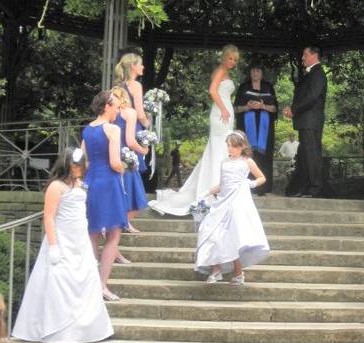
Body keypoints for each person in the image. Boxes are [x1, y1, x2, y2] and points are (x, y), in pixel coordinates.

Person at [12, 147, 114, 343]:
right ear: (67, 164)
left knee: (84, 280)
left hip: (80, 240)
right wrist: (53, 246)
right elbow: (49, 217)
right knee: (58, 281)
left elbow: (82, 211)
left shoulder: (81, 184)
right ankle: (57, 329)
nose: (79, 168)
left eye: (81, 165)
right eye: (76, 165)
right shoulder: (56, 186)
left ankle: (85, 330)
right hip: (61, 239)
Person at [149, 44, 238, 215]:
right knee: (220, 147)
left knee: (220, 148)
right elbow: (212, 91)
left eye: (234, 59)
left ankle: (215, 187)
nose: (232, 62)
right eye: (230, 58)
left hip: (224, 111)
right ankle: (213, 189)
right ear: (224, 57)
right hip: (222, 112)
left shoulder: (223, 72)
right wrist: (224, 108)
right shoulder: (220, 71)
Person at [195, 131, 270, 285]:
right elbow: (222, 185)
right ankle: (215, 270)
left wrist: (250, 183)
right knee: (210, 231)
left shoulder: (247, 161)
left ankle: (237, 273)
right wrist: (207, 192)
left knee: (231, 237)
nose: (230, 149)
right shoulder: (224, 162)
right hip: (222, 200)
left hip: (238, 201)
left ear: (242, 146)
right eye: (228, 146)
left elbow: (262, 178)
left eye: (233, 146)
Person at [82, 90, 127, 301]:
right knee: (113, 235)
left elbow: (85, 161)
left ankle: (90, 285)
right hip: (108, 184)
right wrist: (127, 166)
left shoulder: (87, 130)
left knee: (92, 233)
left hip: (90, 182)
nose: (118, 110)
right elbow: (115, 163)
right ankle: (101, 285)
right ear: (106, 106)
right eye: (116, 106)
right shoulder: (113, 129)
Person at [283, 45, 327, 198]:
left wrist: (294, 110)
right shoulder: (312, 74)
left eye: (305, 55)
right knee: (305, 154)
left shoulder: (318, 74)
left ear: (314, 55)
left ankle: (315, 188)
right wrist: (293, 108)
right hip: (306, 121)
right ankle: (304, 186)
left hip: (311, 121)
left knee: (311, 154)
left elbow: (311, 97)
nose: (302, 58)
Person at [234, 63, 278, 196]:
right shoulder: (243, 87)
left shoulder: (268, 87)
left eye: (258, 70)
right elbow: (235, 108)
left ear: (262, 73)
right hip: (246, 129)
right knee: (247, 155)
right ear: (250, 73)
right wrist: (247, 107)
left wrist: (263, 106)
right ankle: (245, 186)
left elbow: (275, 108)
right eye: (253, 70)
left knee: (264, 156)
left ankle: (263, 187)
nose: (255, 73)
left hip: (265, 130)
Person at [111, 86, 148, 235]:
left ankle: (123, 222)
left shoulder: (110, 114)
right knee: (137, 198)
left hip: (111, 156)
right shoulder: (130, 113)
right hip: (126, 158)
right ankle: (124, 222)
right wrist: (143, 150)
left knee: (121, 194)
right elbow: (130, 141)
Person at [114, 52, 150, 175]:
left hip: (119, 127)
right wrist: (148, 123)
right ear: (133, 66)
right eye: (140, 64)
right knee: (132, 168)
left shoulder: (117, 85)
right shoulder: (136, 85)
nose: (143, 67)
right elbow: (140, 114)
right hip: (132, 128)